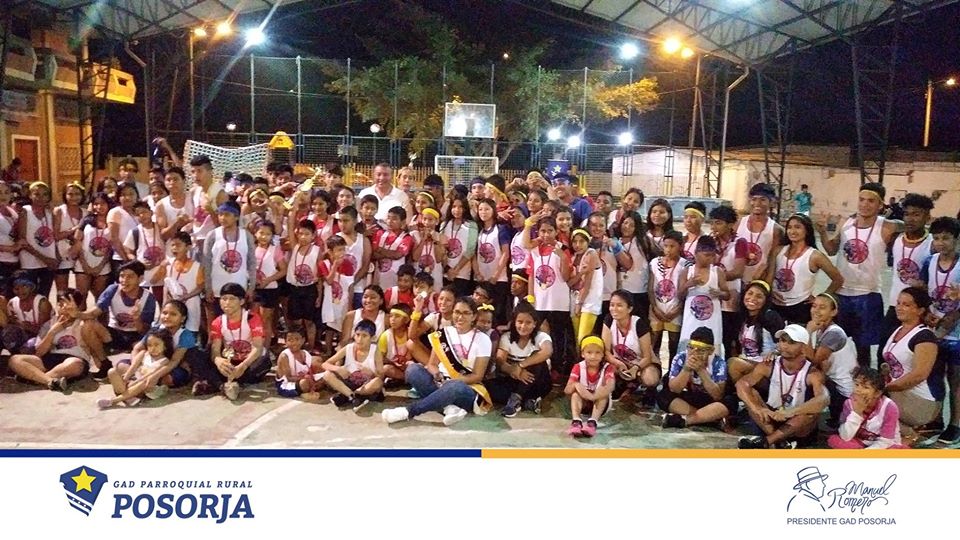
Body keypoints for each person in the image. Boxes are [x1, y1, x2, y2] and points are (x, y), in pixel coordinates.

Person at [817, 182, 903, 365]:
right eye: (861, 199)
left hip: (868, 295)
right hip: (841, 293)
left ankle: (864, 379)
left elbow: (907, 225)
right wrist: (823, 231)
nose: (865, 204)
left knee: (863, 348)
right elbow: (831, 250)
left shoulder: (887, 226)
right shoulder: (847, 223)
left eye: (871, 201)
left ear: (880, 205)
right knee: (834, 345)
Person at [381, 297, 492, 426]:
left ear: (474, 317)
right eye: (457, 312)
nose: (460, 317)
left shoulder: (483, 339)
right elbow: (432, 364)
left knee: (454, 386)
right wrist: (437, 375)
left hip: (465, 388)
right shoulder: (443, 334)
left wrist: (453, 381)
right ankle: (449, 408)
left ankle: (408, 411)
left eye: (466, 313)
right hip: (441, 382)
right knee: (412, 370)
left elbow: (477, 376)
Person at [736, 324, 830, 449]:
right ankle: (779, 442)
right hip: (771, 417)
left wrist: (790, 412)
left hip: (796, 423)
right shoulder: (768, 365)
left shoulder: (812, 373)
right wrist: (756, 408)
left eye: (791, 342)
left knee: (810, 414)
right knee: (751, 395)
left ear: (803, 347)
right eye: (782, 340)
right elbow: (741, 384)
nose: (784, 345)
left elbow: (824, 399)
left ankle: (767, 441)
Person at [880, 287, 942, 442]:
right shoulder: (897, 330)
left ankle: (910, 435)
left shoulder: (925, 337)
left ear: (920, 310)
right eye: (898, 303)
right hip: (898, 392)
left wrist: (883, 389)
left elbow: (919, 375)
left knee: (869, 399)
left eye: (906, 305)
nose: (899, 308)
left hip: (921, 401)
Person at [189, 283, 271, 399]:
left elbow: (257, 347)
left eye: (232, 299)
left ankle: (216, 383)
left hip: (249, 361)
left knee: (262, 363)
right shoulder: (218, 322)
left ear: (241, 301)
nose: (227, 302)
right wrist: (218, 361)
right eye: (224, 299)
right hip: (230, 360)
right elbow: (215, 349)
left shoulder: (252, 318)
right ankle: (224, 386)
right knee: (196, 354)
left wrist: (243, 366)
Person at [79, 261, 157, 376]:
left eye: (130, 277)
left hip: (136, 336)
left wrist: (136, 319)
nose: (124, 280)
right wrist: (76, 314)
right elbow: (94, 312)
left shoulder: (148, 298)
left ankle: (134, 373)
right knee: (86, 325)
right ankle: (104, 364)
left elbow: (144, 330)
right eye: (122, 276)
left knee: (141, 349)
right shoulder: (113, 289)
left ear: (140, 279)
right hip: (115, 332)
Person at [880, 193, 934, 357]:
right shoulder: (896, 239)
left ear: (927, 217)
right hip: (895, 305)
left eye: (916, 214)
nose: (910, 219)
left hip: (918, 309)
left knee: (911, 356)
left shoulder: (932, 244)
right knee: (884, 352)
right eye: (907, 214)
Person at [921, 219, 960, 443]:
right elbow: (924, 292)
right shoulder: (929, 261)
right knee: (933, 378)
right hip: (934, 331)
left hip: (956, 334)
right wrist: (927, 312)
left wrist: (955, 315)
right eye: (936, 238)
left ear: (956, 239)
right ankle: (935, 420)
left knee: (955, 381)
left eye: (946, 238)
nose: (941, 243)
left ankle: (955, 424)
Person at [7, 288, 90, 392]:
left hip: (74, 359)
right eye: (60, 305)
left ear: (77, 307)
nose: (64, 309)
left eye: (68, 306)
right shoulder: (49, 323)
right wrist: (52, 332)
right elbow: (39, 352)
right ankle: (50, 381)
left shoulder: (84, 322)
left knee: (75, 364)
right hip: (51, 358)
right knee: (15, 360)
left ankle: (35, 378)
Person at [766, 213, 843, 325]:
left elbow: (838, 279)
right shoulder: (778, 251)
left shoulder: (815, 256)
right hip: (775, 305)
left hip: (800, 308)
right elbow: (769, 278)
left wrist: (820, 298)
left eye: (797, 227)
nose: (792, 231)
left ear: (807, 230)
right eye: (789, 227)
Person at [659, 327, 738, 429]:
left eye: (701, 350)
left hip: (709, 401)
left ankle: (687, 420)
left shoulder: (718, 363)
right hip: (689, 398)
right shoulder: (680, 358)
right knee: (664, 396)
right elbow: (674, 389)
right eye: (691, 348)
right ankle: (710, 420)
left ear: (710, 351)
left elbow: (718, 395)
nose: (694, 353)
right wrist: (686, 369)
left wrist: (701, 370)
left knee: (730, 402)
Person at [526, 216, 576, 376]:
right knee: (536, 335)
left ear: (556, 231)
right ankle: (538, 366)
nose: (546, 234)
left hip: (558, 302)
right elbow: (531, 275)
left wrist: (563, 257)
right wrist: (530, 297)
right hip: (540, 302)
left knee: (558, 337)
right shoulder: (535, 250)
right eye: (542, 231)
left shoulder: (563, 249)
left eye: (550, 231)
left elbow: (566, 277)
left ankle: (557, 369)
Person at [489, 302, 553, 417]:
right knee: (488, 386)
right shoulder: (507, 337)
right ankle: (528, 402)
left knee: (536, 356)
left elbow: (547, 351)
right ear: (514, 322)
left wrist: (520, 365)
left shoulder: (541, 336)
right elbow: (500, 360)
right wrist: (514, 371)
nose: (523, 326)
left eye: (528, 322)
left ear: (535, 324)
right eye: (520, 322)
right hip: (515, 380)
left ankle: (516, 399)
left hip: (538, 382)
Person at [803, 292, 857, 424]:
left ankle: (807, 424)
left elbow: (812, 361)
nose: (816, 310)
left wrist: (808, 331)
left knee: (808, 377)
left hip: (844, 392)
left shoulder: (834, 334)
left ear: (833, 312)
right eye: (814, 306)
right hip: (834, 384)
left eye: (822, 307)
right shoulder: (821, 329)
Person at [827, 366, 907, 449]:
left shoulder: (889, 407)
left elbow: (886, 441)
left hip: (885, 445)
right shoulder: (849, 403)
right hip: (860, 442)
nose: (858, 390)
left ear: (877, 393)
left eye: (865, 387)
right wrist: (857, 413)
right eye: (857, 384)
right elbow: (845, 436)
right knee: (835, 440)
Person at [202, 201, 257, 322]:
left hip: (239, 287)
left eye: (227, 215)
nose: (222, 218)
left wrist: (251, 287)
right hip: (217, 288)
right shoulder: (212, 235)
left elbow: (252, 263)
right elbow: (206, 263)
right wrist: (208, 287)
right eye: (220, 214)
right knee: (217, 322)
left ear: (236, 217)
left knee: (238, 322)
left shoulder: (246, 235)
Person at [601, 289, 658, 404]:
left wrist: (636, 368)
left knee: (650, 378)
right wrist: (618, 363)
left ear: (630, 309)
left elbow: (647, 357)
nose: (614, 309)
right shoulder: (609, 320)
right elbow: (605, 351)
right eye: (612, 305)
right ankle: (626, 386)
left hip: (642, 364)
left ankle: (648, 389)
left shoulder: (639, 324)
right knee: (603, 369)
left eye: (619, 305)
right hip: (621, 363)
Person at [97, 328, 175, 409]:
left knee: (144, 382)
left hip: (148, 387)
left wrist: (134, 382)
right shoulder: (143, 353)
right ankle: (129, 397)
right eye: (149, 345)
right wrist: (125, 378)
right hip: (134, 381)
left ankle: (113, 401)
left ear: (165, 346)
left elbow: (149, 375)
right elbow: (133, 367)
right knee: (112, 372)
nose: (153, 348)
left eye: (156, 345)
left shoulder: (164, 361)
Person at [677, 236, 730, 352]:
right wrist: (688, 284)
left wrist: (719, 293)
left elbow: (727, 295)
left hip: (712, 321)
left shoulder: (717, 272)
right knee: (688, 349)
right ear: (696, 253)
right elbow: (679, 296)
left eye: (712, 255)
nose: (710, 259)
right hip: (691, 321)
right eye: (706, 255)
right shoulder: (687, 271)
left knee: (712, 348)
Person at [726, 280, 785, 382]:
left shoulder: (771, 317)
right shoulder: (741, 317)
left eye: (759, 296)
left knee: (733, 363)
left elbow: (784, 342)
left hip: (766, 365)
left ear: (766, 300)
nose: (752, 298)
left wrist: (775, 352)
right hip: (746, 362)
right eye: (750, 293)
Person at [323, 319, 386, 410]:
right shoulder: (349, 348)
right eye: (357, 335)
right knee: (327, 374)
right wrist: (338, 369)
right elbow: (325, 364)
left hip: (366, 385)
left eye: (364, 336)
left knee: (377, 383)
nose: (360, 339)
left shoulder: (375, 351)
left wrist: (372, 373)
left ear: (372, 338)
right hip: (349, 382)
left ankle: (350, 395)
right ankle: (352, 396)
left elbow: (381, 377)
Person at [710, 205, 747, 355]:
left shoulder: (739, 242)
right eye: (712, 222)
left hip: (731, 297)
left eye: (718, 223)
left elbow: (738, 271)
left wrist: (713, 277)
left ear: (730, 224)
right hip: (713, 296)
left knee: (729, 339)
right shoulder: (711, 242)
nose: (714, 227)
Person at [565, 336, 615, 438]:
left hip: (601, 405)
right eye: (589, 352)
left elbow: (611, 386)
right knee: (575, 394)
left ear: (603, 355)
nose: (593, 356)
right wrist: (576, 385)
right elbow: (567, 390)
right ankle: (576, 421)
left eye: (597, 352)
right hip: (584, 404)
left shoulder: (607, 367)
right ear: (582, 354)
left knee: (603, 391)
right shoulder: (578, 367)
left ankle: (592, 422)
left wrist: (594, 396)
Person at [473, 198, 511, 326]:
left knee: (496, 314)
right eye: (480, 209)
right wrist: (477, 273)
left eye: (487, 209)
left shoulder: (501, 229)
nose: (483, 212)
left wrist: (495, 275)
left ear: (493, 211)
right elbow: (474, 253)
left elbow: (505, 253)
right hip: (482, 279)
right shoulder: (478, 230)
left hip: (499, 279)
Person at [736, 183, 784, 284]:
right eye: (754, 199)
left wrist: (767, 284)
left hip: (758, 283)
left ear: (771, 202)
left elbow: (773, 261)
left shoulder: (776, 230)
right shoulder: (738, 224)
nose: (757, 203)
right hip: (736, 281)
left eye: (763, 199)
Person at [649, 230, 685, 361]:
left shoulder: (685, 265)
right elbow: (650, 287)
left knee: (673, 346)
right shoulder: (654, 263)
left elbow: (685, 291)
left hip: (674, 310)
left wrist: (678, 310)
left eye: (672, 246)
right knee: (653, 345)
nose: (668, 250)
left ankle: (671, 371)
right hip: (657, 310)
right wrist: (654, 307)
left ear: (680, 246)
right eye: (666, 246)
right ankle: (654, 369)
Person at [18, 181, 57, 296]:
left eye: (45, 194)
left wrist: (55, 257)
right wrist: (44, 258)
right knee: (30, 296)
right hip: (30, 263)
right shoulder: (26, 211)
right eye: (37, 194)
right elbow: (22, 241)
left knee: (44, 296)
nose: (41, 198)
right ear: (30, 195)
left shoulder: (50, 213)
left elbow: (54, 236)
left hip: (49, 263)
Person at [614, 210, 655, 318]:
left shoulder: (641, 242)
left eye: (632, 225)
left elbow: (628, 264)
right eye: (625, 223)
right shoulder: (617, 241)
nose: (627, 227)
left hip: (638, 292)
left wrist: (616, 248)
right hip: (621, 290)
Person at [71, 191, 113, 299]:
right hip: (83, 265)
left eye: (102, 203)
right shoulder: (86, 220)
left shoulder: (112, 221)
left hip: (103, 266)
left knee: (100, 298)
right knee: (81, 297)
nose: (99, 207)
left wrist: (100, 266)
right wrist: (84, 265)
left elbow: (111, 247)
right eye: (96, 204)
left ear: (108, 204)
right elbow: (77, 243)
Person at [252, 222, 286, 349]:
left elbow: (284, 270)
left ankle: (265, 350)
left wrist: (268, 280)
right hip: (254, 288)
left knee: (265, 320)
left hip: (269, 289)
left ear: (272, 236)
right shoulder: (251, 248)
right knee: (253, 318)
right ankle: (254, 347)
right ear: (255, 233)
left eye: (268, 234)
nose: (264, 236)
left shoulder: (275, 250)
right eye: (261, 233)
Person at [124, 201, 166, 301]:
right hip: (143, 276)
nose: (142, 216)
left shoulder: (161, 229)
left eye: (144, 212)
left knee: (161, 302)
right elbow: (128, 252)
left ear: (151, 212)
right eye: (138, 214)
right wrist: (138, 263)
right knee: (142, 303)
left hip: (161, 275)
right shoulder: (135, 232)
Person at [163, 232, 204, 335]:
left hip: (190, 302)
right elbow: (165, 284)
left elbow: (200, 287)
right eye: (172, 245)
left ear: (188, 247)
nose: (174, 248)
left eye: (178, 245)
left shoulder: (197, 266)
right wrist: (166, 301)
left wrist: (186, 296)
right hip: (173, 303)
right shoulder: (168, 264)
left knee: (190, 331)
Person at [319, 235, 352, 357]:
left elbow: (350, 284)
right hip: (330, 301)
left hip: (343, 300)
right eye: (339, 250)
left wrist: (350, 303)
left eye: (343, 249)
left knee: (343, 326)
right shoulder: (323, 264)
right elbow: (329, 281)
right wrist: (335, 267)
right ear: (330, 251)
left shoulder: (348, 264)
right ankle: (328, 350)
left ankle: (341, 353)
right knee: (329, 326)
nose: (342, 253)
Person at [570, 228, 603, 344]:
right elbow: (569, 283)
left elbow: (587, 283)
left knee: (582, 339)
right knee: (576, 339)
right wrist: (580, 273)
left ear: (588, 242)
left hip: (589, 301)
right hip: (575, 298)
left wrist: (579, 303)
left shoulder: (591, 254)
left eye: (581, 241)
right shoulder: (574, 257)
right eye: (575, 241)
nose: (578, 245)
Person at [53, 182, 87, 294]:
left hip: (80, 256)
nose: (74, 197)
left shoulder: (86, 213)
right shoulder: (59, 211)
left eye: (77, 194)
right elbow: (56, 236)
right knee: (62, 292)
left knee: (81, 293)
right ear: (65, 195)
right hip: (62, 255)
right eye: (70, 194)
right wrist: (75, 228)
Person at [189, 154, 228, 251]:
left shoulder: (220, 193)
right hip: (196, 241)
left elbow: (226, 225)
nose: (195, 175)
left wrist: (211, 210)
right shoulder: (195, 191)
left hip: (213, 242)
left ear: (210, 172)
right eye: (193, 172)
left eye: (199, 171)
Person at [441, 194, 477, 298]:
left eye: (460, 207)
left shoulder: (471, 225)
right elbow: (441, 248)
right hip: (446, 273)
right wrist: (448, 269)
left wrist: (456, 270)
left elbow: (470, 249)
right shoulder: (444, 225)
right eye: (454, 206)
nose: (457, 210)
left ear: (465, 208)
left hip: (462, 274)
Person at [336, 206, 372, 309]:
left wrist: (352, 282)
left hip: (358, 287)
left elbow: (365, 265)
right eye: (340, 221)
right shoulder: (334, 239)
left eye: (346, 221)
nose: (342, 224)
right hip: (338, 288)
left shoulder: (364, 240)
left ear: (355, 221)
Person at [275, 325, 322, 400]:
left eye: (297, 339)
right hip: (287, 384)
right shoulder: (285, 356)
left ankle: (311, 389)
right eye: (290, 340)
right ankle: (304, 393)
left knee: (324, 376)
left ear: (303, 340)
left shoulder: (305, 353)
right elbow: (288, 378)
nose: (294, 343)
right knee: (304, 383)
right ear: (285, 342)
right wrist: (307, 378)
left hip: (304, 379)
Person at [372, 206, 413, 291]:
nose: (390, 221)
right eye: (388, 218)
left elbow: (397, 255)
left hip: (395, 280)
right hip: (377, 277)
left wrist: (380, 250)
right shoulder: (379, 233)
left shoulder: (406, 238)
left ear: (403, 222)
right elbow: (374, 254)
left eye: (394, 219)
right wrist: (389, 253)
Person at [379, 304, 414, 384]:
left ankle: (403, 380)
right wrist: (393, 363)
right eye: (391, 316)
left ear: (406, 320)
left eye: (397, 316)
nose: (393, 319)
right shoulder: (386, 335)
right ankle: (407, 379)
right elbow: (380, 357)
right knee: (386, 369)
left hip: (409, 366)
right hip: (393, 366)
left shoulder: (411, 333)